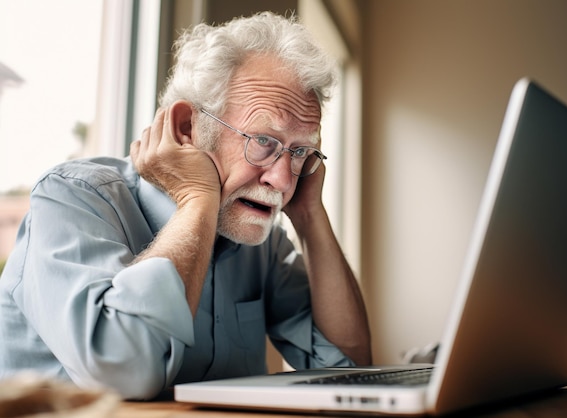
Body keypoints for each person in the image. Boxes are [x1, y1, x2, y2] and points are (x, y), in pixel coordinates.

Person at [0, 12, 371, 399]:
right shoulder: (71, 198)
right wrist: (198, 199)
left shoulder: (265, 245)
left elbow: (352, 369)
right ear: (186, 129)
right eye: (263, 141)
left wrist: (311, 214)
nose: (282, 180)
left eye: (300, 151)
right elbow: (123, 375)